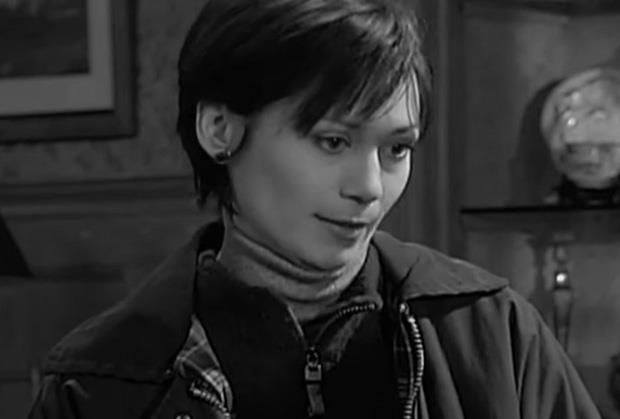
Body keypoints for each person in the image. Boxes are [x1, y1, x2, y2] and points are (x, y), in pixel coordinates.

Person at [28, 0, 601, 418]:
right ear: (220, 128)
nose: (370, 187)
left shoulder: (494, 335)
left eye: (396, 149)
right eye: (333, 141)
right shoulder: (100, 383)